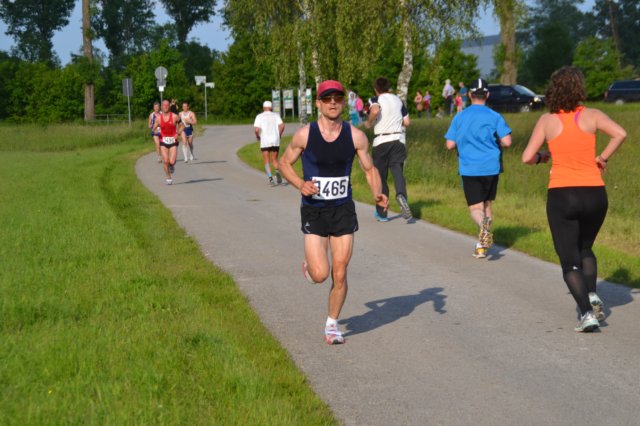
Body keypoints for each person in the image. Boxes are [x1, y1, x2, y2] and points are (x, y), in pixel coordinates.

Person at [279, 80, 388, 345]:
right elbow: (284, 163)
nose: (332, 103)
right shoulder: (305, 135)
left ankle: (332, 324)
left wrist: (378, 193)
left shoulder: (356, 136)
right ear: (318, 103)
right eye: (327, 98)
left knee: (340, 272)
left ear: (342, 102)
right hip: (314, 211)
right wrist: (300, 184)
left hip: (342, 210)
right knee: (320, 274)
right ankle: (309, 268)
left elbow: (369, 169)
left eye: (337, 98)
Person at [521, 66, 626, 332]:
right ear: (579, 88)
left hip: (563, 194)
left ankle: (587, 313)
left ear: (553, 90)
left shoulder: (547, 120)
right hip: (594, 193)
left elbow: (527, 157)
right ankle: (591, 294)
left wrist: (542, 157)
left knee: (569, 260)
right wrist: (602, 158)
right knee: (585, 248)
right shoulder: (592, 115)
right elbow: (620, 134)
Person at [444, 78, 512, 258]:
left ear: (469, 94)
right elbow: (507, 141)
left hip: (469, 168)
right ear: (487, 95)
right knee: (487, 205)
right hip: (491, 167)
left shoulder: (460, 117)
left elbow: (449, 145)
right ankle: (481, 246)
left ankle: (483, 228)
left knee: (475, 209)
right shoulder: (495, 116)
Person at [365, 76, 412, 222]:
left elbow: (374, 111)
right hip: (398, 140)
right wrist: (395, 124)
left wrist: (369, 123)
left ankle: (382, 213)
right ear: (388, 88)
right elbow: (407, 122)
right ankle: (401, 195)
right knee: (397, 170)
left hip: (381, 141)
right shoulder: (398, 100)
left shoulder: (375, 99)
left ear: (376, 89)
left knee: (381, 177)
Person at [254, 100, 285, 186]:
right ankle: (277, 171)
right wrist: (279, 135)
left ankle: (271, 179)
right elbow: (282, 126)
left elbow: (256, 129)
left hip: (265, 141)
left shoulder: (259, 116)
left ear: (263, 108)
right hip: (275, 140)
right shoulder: (276, 115)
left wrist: (257, 136)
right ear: (271, 108)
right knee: (274, 159)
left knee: (266, 160)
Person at [153, 99, 181, 185]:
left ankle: (171, 165)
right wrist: (155, 130)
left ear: (169, 106)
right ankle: (168, 177)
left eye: (167, 105)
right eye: (164, 105)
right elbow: (154, 128)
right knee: (165, 161)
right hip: (163, 141)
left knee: (172, 161)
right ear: (161, 107)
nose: (165, 106)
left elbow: (182, 126)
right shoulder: (158, 118)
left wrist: (178, 133)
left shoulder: (175, 116)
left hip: (173, 141)